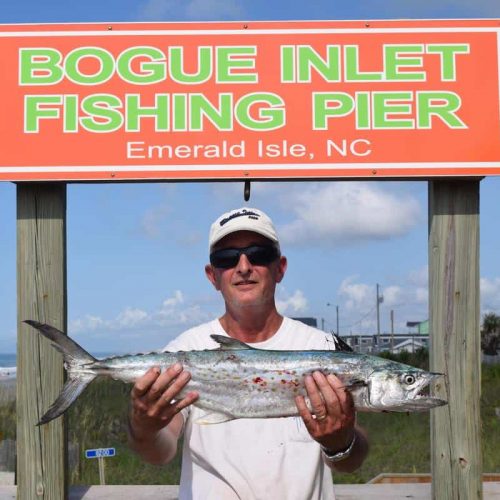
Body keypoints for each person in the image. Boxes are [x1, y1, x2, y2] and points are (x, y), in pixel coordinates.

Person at [128, 207, 369, 499]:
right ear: (212, 276)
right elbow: (161, 451)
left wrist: (340, 443)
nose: (244, 266)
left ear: (280, 268)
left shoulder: (322, 348)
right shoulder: (184, 351)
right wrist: (143, 428)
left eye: (259, 254)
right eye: (227, 259)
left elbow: (352, 459)